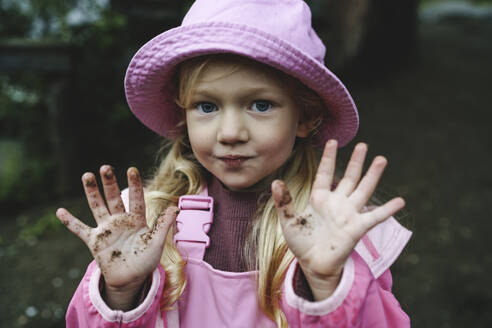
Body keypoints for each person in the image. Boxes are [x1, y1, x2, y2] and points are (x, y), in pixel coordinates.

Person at [56, 0, 412, 327]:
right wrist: (121, 293)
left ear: (306, 117)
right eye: (207, 106)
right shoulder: (151, 223)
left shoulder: (337, 231)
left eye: (260, 104)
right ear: (184, 118)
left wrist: (327, 284)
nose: (229, 133)